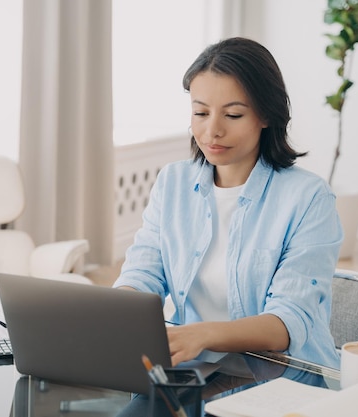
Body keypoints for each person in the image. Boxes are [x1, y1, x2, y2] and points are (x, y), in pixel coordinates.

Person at [113, 37, 343, 372]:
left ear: (266, 115)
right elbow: (145, 270)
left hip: (282, 376)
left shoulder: (309, 198)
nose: (212, 130)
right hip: (194, 370)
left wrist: (202, 335)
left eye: (233, 114)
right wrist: (118, 308)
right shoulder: (173, 182)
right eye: (200, 113)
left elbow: (287, 321)